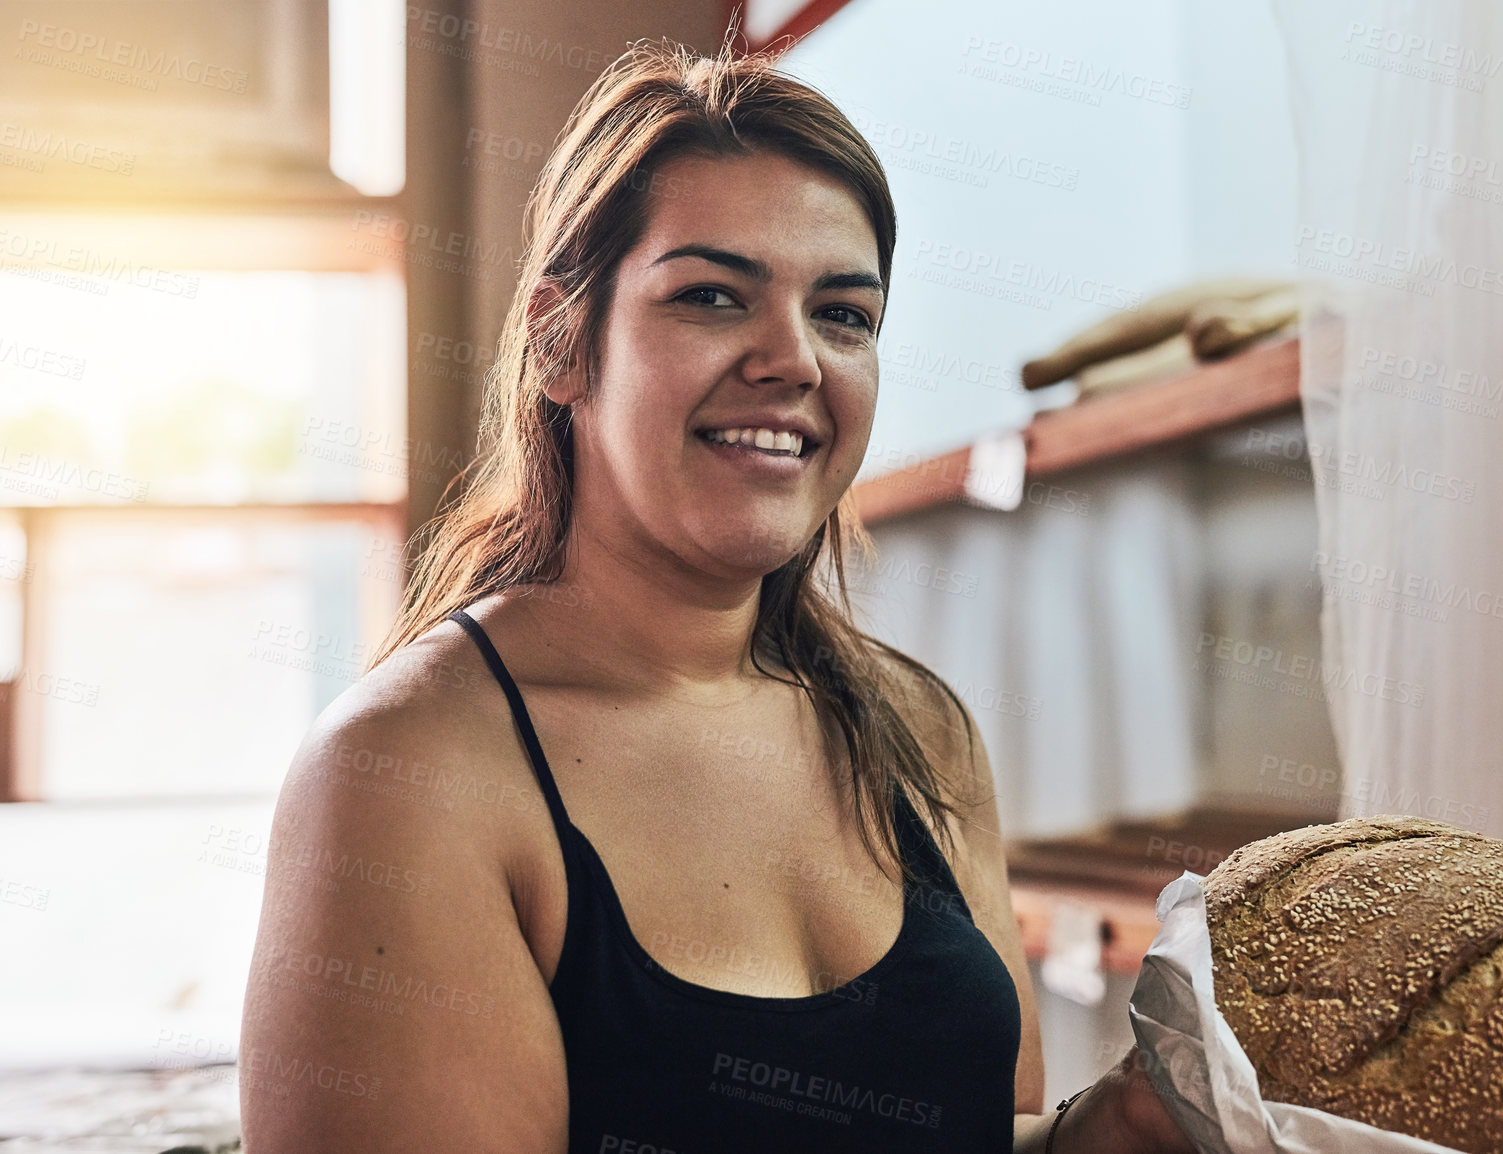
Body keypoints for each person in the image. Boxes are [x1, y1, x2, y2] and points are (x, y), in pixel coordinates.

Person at [239, 34, 1196, 1154]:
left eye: (844, 314)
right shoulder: (409, 772)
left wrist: (1117, 1127)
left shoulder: (918, 733)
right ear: (561, 339)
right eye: (711, 295)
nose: (794, 358)